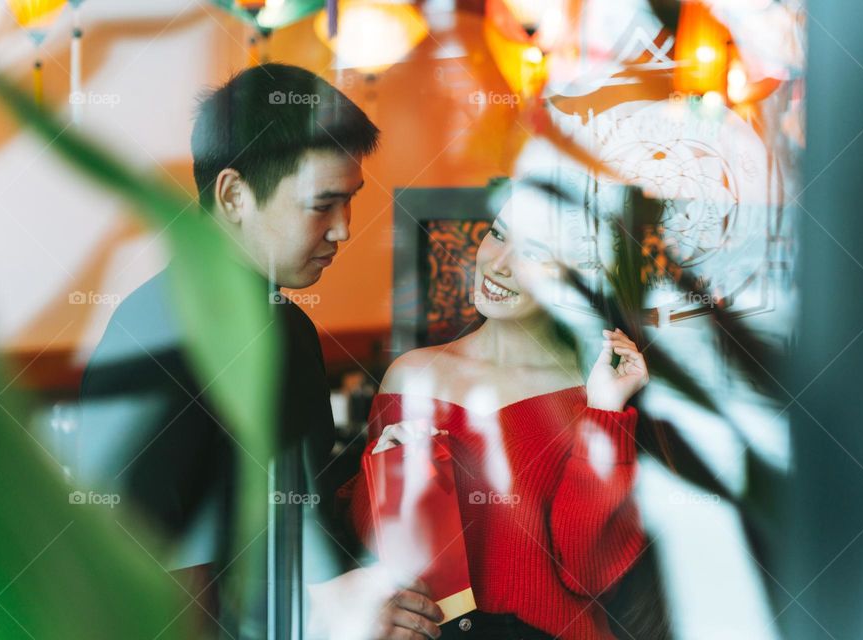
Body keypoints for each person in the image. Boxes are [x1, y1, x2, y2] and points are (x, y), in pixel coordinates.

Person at [78, 63, 441, 638]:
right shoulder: (163, 335)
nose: (344, 229)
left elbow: (290, 513)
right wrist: (321, 615)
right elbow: (143, 579)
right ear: (233, 195)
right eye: (322, 204)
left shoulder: (286, 323)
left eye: (350, 202)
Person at [341, 177, 650, 639]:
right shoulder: (413, 377)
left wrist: (604, 412)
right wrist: (389, 472)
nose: (499, 264)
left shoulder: (599, 393)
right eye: (499, 233)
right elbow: (381, 563)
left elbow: (590, 572)